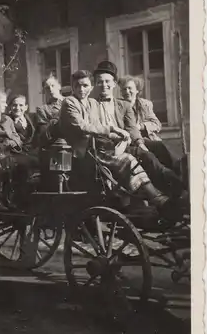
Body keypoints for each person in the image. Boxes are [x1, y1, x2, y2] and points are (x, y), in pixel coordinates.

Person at [58, 70, 182, 223]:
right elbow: (83, 126)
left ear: (90, 87)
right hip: (81, 153)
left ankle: (159, 197)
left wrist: (120, 136)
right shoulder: (69, 102)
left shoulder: (91, 103)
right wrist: (113, 129)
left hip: (97, 149)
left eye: (85, 86)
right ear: (72, 87)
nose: (81, 89)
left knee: (141, 155)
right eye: (77, 86)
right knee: (127, 160)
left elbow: (98, 126)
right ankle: (156, 198)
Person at [93, 61, 186, 199]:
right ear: (95, 84)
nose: (104, 85)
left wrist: (140, 143)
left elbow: (132, 128)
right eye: (100, 82)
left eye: (107, 81)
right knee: (147, 157)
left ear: (113, 84)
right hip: (108, 147)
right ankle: (172, 193)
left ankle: (180, 183)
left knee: (154, 150)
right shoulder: (91, 105)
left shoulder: (123, 105)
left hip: (126, 143)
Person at [118, 75, 180, 173]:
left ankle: (178, 171)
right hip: (131, 141)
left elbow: (157, 124)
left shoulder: (145, 104)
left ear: (137, 90)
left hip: (147, 138)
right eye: (124, 89)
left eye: (130, 88)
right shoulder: (118, 106)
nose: (127, 92)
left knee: (161, 148)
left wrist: (141, 126)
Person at [35, 74, 64, 147]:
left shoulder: (71, 101)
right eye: (47, 88)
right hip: (58, 144)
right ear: (44, 91)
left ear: (59, 87)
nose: (50, 89)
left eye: (53, 86)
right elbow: (44, 133)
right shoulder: (42, 109)